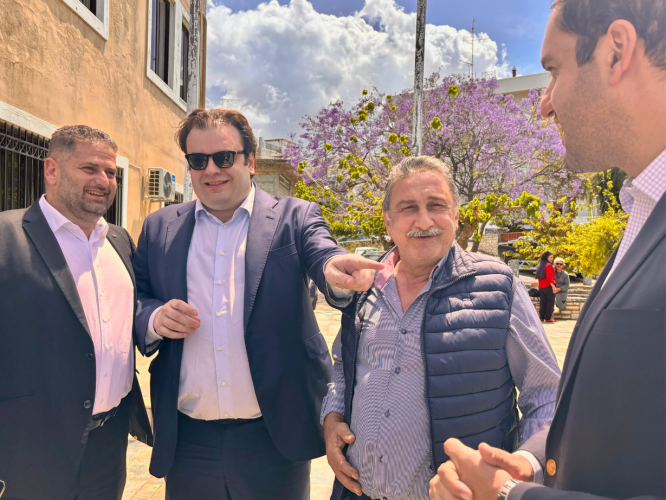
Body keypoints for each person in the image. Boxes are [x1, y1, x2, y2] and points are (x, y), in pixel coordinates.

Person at [430, 0, 666, 498]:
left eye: (554, 71)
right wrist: (532, 464)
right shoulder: (643, 208)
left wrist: (509, 495)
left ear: (616, 51)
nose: (544, 105)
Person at [132, 108, 382, 500]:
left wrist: (335, 271)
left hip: (273, 436)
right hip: (188, 439)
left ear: (250, 161)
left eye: (223, 157)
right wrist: (154, 318)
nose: (211, 170)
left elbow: (322, 252)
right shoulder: (160, 227)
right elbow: (137, 297)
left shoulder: (294, 217)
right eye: (198, 160)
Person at [322, 156, 561, 500]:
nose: (424, 220)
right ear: (388, 221)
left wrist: (523, 464)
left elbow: (547, 394)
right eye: (408, 208)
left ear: (456, 215)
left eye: (436, 205)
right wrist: (331, 418)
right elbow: (343, 365)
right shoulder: (365, 286)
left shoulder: (498, 286)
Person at [0, 125, 153, 500]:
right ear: (51, 170)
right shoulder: (6, 236)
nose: (103, 180)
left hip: (109, 444)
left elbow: (129, 315)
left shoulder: (119, 240)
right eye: (89, 169)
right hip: (28, 450)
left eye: (111, 172)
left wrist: (156, 320)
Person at [535, 251, 557, 322]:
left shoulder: (540, 264)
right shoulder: (548, 265)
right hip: (548, 286)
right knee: (550, 302)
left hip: (541, 287)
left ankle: (541, 317)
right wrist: (553, 287)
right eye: (551, 257)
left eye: (552, 257)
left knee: (543, 302)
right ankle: (548, 318)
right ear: (546, 257)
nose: (552, 259)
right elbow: (550, 277)